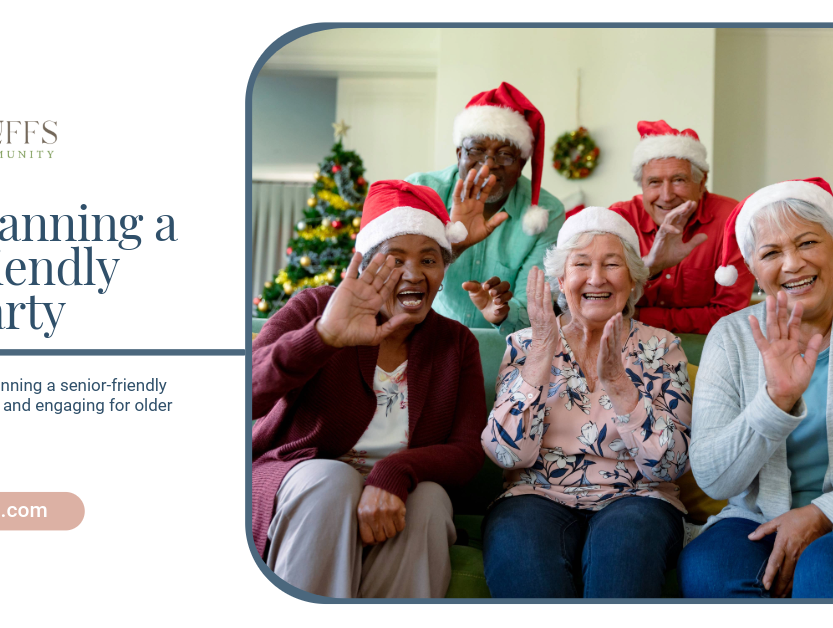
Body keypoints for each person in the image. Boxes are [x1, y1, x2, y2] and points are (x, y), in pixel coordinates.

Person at [679, 178, 833, 599]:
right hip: (758, 516)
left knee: (826, 568)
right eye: (772, 253)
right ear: (753, 269)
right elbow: (714, 481)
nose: (793, 264)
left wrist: (824, 513)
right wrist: (775, 402)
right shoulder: (730, 337)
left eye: (808, 243)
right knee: (709, 568)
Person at [251, 178, 489, 598]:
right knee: (332, 481)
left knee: (431, 500)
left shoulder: (456, 342)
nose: (414, 274)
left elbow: (468, 451)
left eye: (429, 260)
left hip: (400, 492)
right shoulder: (315, 307)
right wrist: (322, 337)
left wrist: (394, 471)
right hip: (304, 482)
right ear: (365, 265)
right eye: (395, 260)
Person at [480, 207, 693, 598]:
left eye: (612, 264)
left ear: (632, 280)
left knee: (624, 549)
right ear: (562, 279)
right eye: (581, 264)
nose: (596, 278)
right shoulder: (525, 344)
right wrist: (543, 350)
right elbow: (506, 455)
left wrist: (618, 384)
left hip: (638, 497)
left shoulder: (661, 347)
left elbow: (671, 465)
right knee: (521, 551)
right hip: (534, 495)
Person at [405, 81, 566, 337]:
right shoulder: (421, 190)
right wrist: (453, 249)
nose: (488, 166)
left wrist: (503, 311)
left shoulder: (547, 212)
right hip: (419, 338)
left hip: (500, 353)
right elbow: (395, 277)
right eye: (477, 150)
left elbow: (534, 308)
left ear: (522, 163)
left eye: (505, 155)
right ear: (459, 154)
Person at [570, 120, 753, 334]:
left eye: (678, 180)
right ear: (642, 186)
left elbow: (729, 314)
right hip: (626, 343)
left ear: (701, 183)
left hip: (704, 345)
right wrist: (651, 267)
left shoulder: (731, 220)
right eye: (654, 182)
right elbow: (598, 298)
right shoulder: (619, 219)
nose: (666, 197)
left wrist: (638, 316)